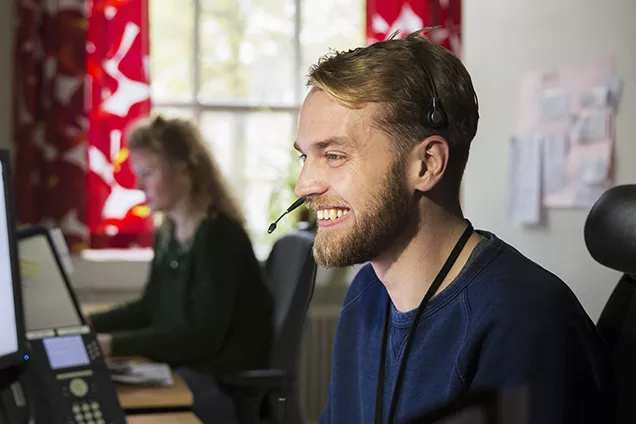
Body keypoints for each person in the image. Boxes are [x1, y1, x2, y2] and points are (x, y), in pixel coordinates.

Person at [292, 31, 613, 424]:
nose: (304, 185)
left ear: (426, 164)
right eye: (305, 157)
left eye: (334, 155)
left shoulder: (526, 323)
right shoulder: (367, 295)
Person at [89, 115, 273, 423]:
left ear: (184, 168)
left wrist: (111, 344)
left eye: (147, 173)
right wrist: (88, 324)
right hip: (191, 367)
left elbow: (202, 336)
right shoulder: (168, 232)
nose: (137, 184)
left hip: (223, 383)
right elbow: (150, 307)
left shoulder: (218, 235)